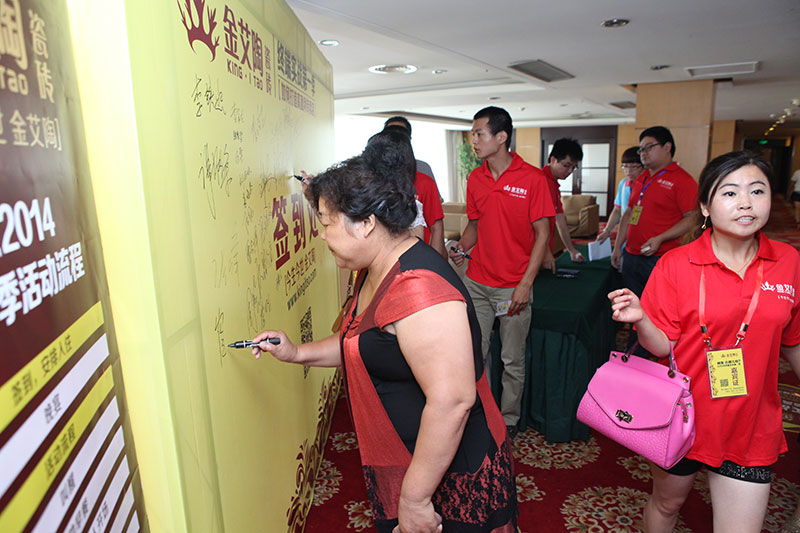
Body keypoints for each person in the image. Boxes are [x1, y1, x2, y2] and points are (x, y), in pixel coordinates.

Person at [252, 133, 518, 533]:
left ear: (366, 224)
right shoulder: (375, 268)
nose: (321, 235)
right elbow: (363, 342)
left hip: (451, 466)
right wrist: (296, 353)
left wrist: (415, 499)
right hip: (413, 458)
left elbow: (452, 402)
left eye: (325, 224)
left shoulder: (418, 288)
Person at [609, 150, 800, 533]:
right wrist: (642, 320)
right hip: (681, 415)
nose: (745, 202)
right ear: (705, 207)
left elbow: (793, 339)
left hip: (750, 422)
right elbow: (662, 346)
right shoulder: (675, 264)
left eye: (757, 191)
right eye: (730, 192)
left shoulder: (788, 261)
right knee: (667, 504)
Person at [449, 106, 553, 437]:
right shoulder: (475, 178)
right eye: (473, 134)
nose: (474, 140)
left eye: (479, 134)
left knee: (511, 359)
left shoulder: (533, 179)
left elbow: (543, 235)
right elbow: (475, 226)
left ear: (501, 137)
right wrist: (460, 249)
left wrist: (525, 284)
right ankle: (475, 412)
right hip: (477, 282)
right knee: (473, 354)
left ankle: (508, 420)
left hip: (513, 286)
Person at [611, 126, 698, 313]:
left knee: (657, 310)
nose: (643, 153)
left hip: (660, 258)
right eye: (641, 149)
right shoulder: (641, 178)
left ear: (667, 147)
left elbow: (692, 218)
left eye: (649, 147)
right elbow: (629, 213)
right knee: (632, 306)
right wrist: (618, 246)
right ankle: (634, 334)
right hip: (631, 254)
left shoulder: (683, 180)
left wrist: (660, 238)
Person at [382, 120, 447, 258]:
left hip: (419, 255)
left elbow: (436, 226)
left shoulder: (424, 180)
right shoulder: (375, 182)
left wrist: (435, 261)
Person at [541, 137, 587, 270]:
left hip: (542, 249)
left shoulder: (553, 184)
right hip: (531, 251)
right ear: (553, 160)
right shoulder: (540, 181)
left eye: (573, 167)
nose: (570, 171)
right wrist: (546, 253)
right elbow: (537, 223)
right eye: (566, 165)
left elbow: (560, 220)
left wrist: (571, 250)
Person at [596, 147, 643, 245]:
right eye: (625, 166)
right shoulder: (623, 184)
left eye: (634, 167)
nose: (628, 171)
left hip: (644, 234)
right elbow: (617, 210)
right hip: (625, 233)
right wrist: (607, 230)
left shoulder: (649, 186)